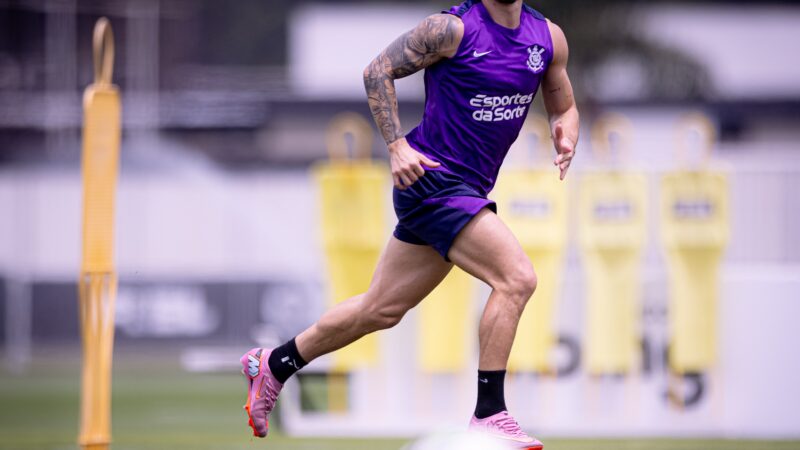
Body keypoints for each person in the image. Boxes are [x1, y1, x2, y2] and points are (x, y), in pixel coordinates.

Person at [240, 0, 579, 448]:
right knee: (516, 279)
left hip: (466, 190)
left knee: (380, 309)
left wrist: (565, 129)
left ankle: (274, 364)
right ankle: (491, 412)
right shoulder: (451, 29)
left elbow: (564, 104)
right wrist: (396, 146)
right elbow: (376, 70)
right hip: (432, 180)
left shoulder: (548, 37)